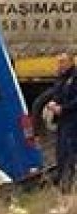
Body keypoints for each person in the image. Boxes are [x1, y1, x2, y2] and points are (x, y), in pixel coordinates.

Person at [46, 53, 77, 192]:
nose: (60, 65)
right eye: (58, 62)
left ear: (71, 62)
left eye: (63, 62)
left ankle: (68, 185)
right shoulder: (61, 78)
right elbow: (57, 94)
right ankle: (62, 183)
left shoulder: (75, 78)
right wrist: (52, 103)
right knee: (61, 152)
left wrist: (63, 108)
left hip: (73, 119)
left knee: (70, 152)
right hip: (62, 121)